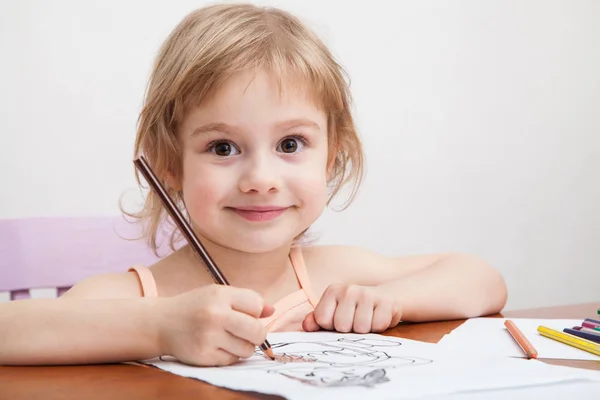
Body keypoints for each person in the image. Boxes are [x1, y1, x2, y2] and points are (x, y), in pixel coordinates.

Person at [0, 3, 507, 367]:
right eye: (223, 148)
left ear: (333, 156)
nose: (262, 180)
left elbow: (480, 278)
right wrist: (160, 326)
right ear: (169, 165)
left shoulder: (332, 273)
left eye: (290, 144)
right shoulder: (132, 297)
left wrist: (393, 301)